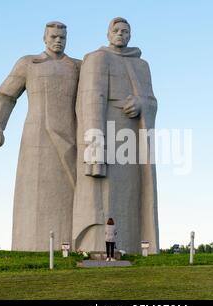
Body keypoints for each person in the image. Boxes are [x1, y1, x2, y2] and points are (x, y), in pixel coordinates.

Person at [0, 21, 81, 251]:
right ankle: (30, 246)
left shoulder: (78, 66)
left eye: (62, 37)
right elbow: (5, 95)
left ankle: (71, 245)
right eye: (54, 36)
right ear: (44, 38)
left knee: (70, 192)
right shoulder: (29, 63)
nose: (58, 40)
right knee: (34, 195)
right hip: (36, 139)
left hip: (71, 137)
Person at [72, 17, 159, 254]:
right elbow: (91, 99)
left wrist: (142, 103)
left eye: (125, 31)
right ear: (108, 33)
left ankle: (131, 246)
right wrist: (94, 142)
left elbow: (152, 100)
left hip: (132, 132)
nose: (121, 34)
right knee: (103, 192)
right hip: (105, 128)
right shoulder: (98, 58)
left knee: (131, 192)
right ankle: (95, 245)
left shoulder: (141, 65)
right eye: (116, 30)